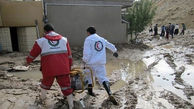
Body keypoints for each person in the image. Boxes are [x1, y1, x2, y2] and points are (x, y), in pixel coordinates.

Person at [26, 24, 74, 109]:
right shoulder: (64, 40)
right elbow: (69, 56)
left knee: (45, 83)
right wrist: (69, 67)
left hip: (49, 69)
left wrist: (27, 62)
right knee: (66, 86)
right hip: (63, 68)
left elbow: (33, 54)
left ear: (45, 31)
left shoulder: (40, 41)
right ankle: (71, 106)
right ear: (53, 30)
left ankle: (42, 99)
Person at [83, 26, 119, 105]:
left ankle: (90, 92)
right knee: (103, 78)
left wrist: (84, 61)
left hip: (90, 63)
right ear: (95, 32)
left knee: (90, 77)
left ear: (88, 32)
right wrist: (115, 51)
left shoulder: (88, 39)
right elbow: (110, 45)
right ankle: (109, 93)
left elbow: (87, 53)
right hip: (100, 63)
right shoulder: (101, 39)